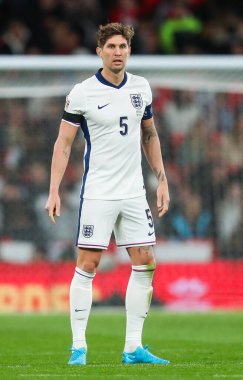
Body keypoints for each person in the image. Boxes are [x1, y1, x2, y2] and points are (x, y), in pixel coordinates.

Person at [45, 22, 170, 366]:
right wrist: (54, 189)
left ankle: (133, 348)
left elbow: (149, 135)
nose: (118, 52)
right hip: (98, 194)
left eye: (123, 47)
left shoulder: (141, 88)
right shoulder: (82, 93)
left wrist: (162, 178)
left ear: (130, 51)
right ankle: (78, 348)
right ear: (99, 52)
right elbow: (64, 143)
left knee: (145, 263)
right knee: (88, 265)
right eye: (111, 47)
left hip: (133, 194)